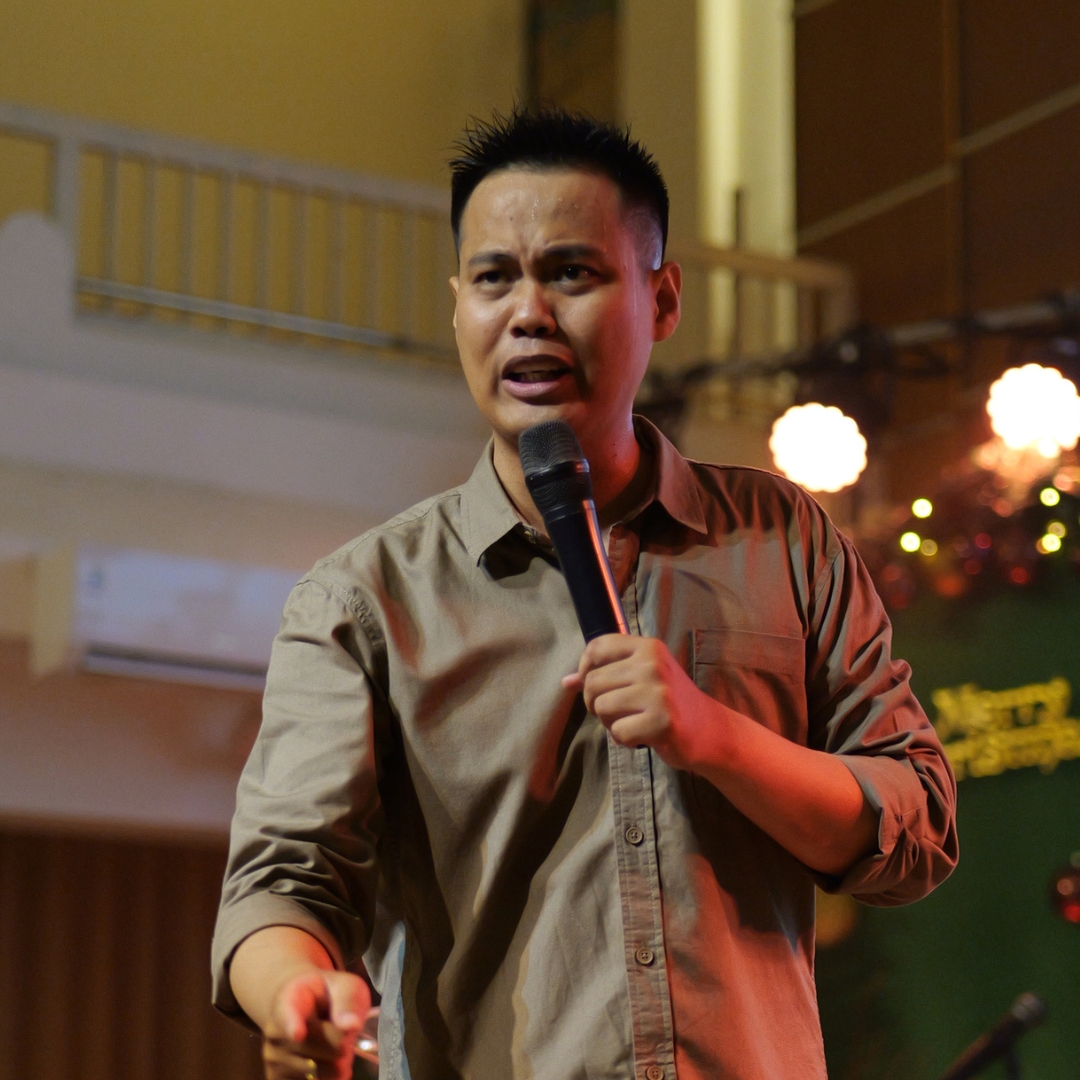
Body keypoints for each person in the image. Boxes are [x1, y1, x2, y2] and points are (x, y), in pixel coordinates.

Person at [213, 109, 958, 1080]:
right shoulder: (362, 600)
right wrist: (294, 990)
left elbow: (916, 825)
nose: (529, 313)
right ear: (458, 307)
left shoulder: (783, 541)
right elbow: (285, 882)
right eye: (494, 278)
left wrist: (718, 737)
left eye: (571, 273)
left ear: (663, 298)